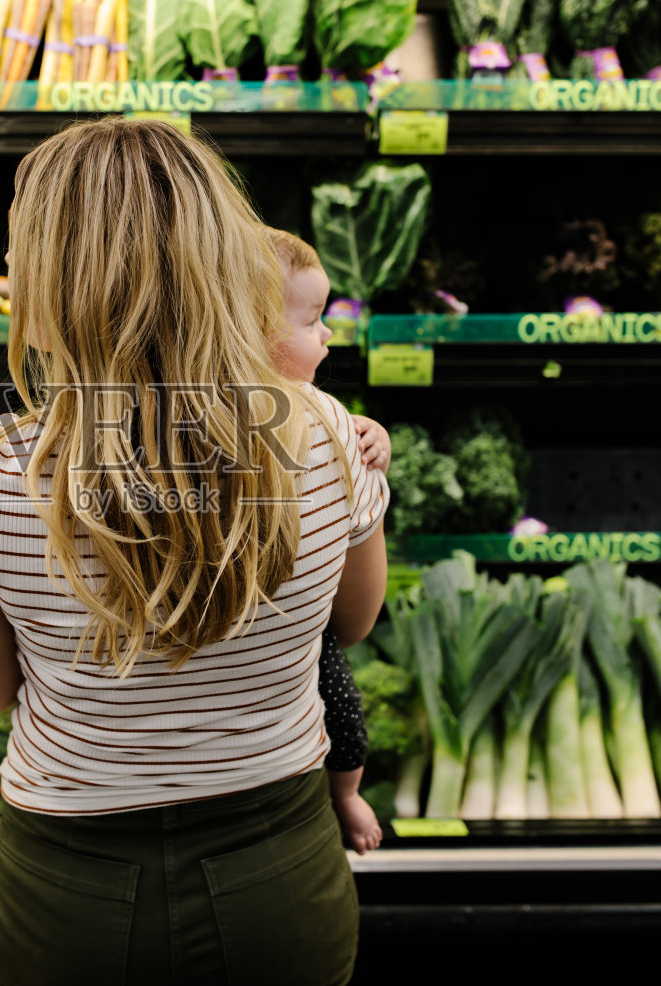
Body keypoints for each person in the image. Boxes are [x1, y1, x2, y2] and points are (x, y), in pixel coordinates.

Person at [0, 117, 389, 986]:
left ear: (56, 289)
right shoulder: (328, 436)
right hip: (278, 876)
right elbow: (352, 623)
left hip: (61, 891)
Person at [265, 226, 390, 856]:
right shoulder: (313, 420)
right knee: (337, 702)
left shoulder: (321, 410)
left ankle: (344, 792)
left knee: (342, 715)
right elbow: (356, 621)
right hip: (294, 625)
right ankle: (341, 794)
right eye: (313, 319)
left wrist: (373, 438)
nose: (328, 334)